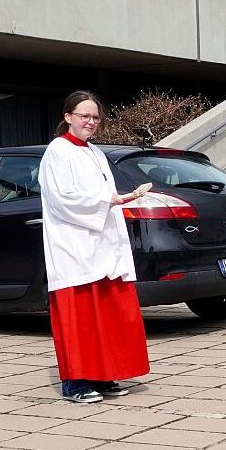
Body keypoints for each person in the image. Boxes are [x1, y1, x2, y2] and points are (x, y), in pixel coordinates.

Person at [38, 91, 151, 403]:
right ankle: (75, 383)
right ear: (68, 117)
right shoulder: (58, 151)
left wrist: (118, 200)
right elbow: (63, 199)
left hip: (102, 246)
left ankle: (102, 377)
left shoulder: (95, 152)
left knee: (106, 315)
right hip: (74, 247)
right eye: (84, 115)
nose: (90, 121)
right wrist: (109, 200)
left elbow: (104, 195)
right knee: (80, 318)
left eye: (95, 117)